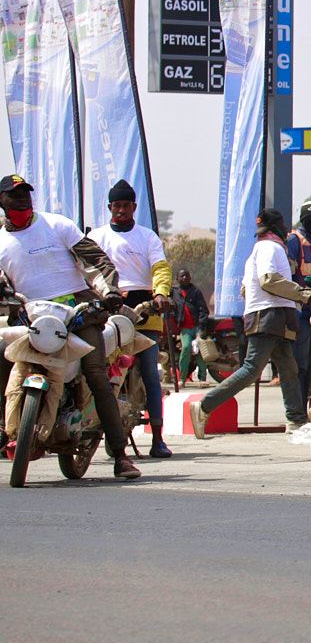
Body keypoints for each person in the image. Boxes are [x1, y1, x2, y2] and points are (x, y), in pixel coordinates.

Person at [0, 173, 139, 478]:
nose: (23, 199)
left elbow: (98, 261)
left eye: (26, 193)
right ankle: (6, 431)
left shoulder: (56, 224)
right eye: (15, 195)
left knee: (96, 374)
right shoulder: (1, 240)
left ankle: (120, 456)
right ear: (2, 202)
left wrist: (110, 292)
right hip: (29, 317)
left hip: (77, 311)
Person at [196, 205, 311, 447]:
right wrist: (302, 294)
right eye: (283, 225)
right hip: (269, 316)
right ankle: (205, 406)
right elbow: (268, 280)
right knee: (251, 369)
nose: (286, 230)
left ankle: (297, 421)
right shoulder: (270, 247)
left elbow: (245, 287)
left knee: (289, 369)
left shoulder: (259, 248)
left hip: (276, 316)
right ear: (277, 227)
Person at [88, 180, 174, 456]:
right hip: (107, 312)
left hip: (144, 314)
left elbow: (160, 268)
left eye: (126, 205)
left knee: (150, 373)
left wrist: (161, 294)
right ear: (110, 207)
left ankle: (158, 439)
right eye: (117, 206)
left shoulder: (147, 237)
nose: (122, 210)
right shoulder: (96, 237)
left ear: (134, 207)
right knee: (96, 370)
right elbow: (85, 269)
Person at [284, 199, 311, 406]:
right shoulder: (295, 240)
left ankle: (306, 404)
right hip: (301, 310)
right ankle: (298, 407)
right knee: (299, 363)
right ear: (302, 219)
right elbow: (289, 274)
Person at [171, 268, 210, 384]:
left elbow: (203, 310)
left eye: (186, 276)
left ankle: (202, 379)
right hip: (185, 329)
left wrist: (202, 327)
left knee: (200, 351)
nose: (184, 278)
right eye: (182, 276)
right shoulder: (174, 292)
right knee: (186, 348)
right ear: (177, 279)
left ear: (190, 278)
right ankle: (182, 379)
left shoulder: (196, 292)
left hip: (197, 327)